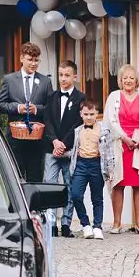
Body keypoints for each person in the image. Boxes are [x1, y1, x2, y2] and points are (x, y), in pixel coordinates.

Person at [104, 64, 139, 234]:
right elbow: (111, 121)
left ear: (136, 81)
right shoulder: (114, 96)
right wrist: (124, 137)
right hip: (120, 145)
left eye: (131, 78)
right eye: (125, 77)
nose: (128, 80)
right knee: (118, 183)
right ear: (120, 80)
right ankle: (117, 223)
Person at [0, 42, 54, 182]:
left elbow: (52, 108)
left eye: (36, 60)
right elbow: (0, 105)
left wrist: (37, 109)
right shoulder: (9, 80)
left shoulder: (45, 81)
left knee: (35, 178)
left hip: (37, 140)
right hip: (15, 139)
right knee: (16, 178)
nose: (33, 63)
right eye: (30, 59)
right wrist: (17, 108)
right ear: (22, 58)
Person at [42, 60, 85, 237]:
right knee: (50, 185)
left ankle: (66, 224)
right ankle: (51, 224)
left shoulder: (81, 98)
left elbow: (78, 123)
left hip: (69, 150)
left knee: (69, 185)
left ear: (74, 76)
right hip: (52, 149)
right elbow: (47, 121)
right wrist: (54, 142)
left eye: (67, 75)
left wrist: (64, 144)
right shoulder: (51, 96)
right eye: (60, 75)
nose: (63, 79)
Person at [68, 100, 114, 240]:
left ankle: (97, 226)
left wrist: (110, 170)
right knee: (76, 195)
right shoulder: (77, 131)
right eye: (86, 114)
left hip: (96, 164)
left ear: (97, 114)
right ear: (81, 114)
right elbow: (74, 150)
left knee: (97, 198)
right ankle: (85, 224)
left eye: (91, 114)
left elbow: (109, 152)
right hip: (81, 164)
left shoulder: (104, 131)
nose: (88, 117)